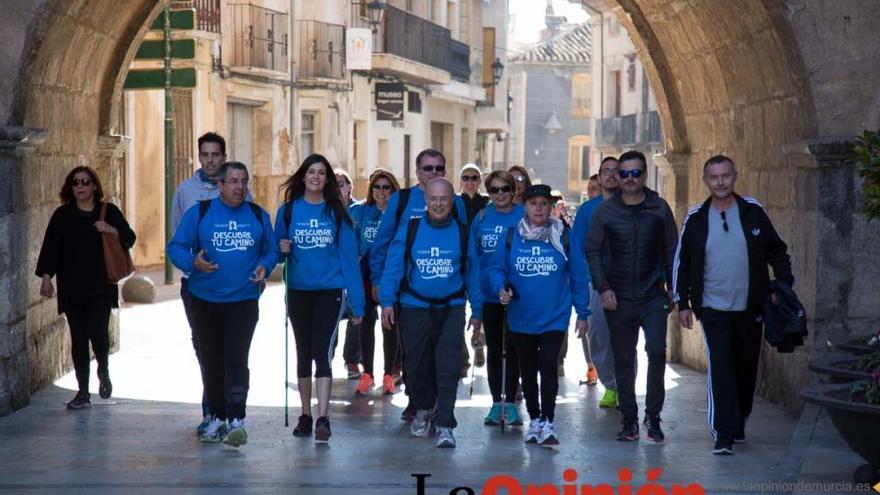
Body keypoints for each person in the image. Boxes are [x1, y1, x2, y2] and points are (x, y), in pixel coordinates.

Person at [674, 155, 793, 455]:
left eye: (725, 175)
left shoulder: (753, 212)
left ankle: (739, 421)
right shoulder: (696, 218)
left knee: (746, 368)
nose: (721, 182)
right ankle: (723, 434)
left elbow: (777, 251)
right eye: (714, 177)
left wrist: (782, 285)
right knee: (721, 367)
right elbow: (682, 263)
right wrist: (683, 302)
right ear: (706, 181)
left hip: (751, 307)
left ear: (734, 176)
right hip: (713, 308)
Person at [168, 162, 278, 447]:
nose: (239, 187)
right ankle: (216, 416)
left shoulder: (257, 214)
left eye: (244, 181)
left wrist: (265, 266)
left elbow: (272, 248)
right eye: (233, 181)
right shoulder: (201, 213)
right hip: (204, 300)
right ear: (220, 185)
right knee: (211, 360)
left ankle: (237, 420)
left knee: (237, 359)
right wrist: (192, 261)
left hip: (243, 300)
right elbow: (176, 247)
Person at [379, 178, 482, 449]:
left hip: (451, 308)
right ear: (426, 200)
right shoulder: (411, 228)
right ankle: (424, 408)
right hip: (415, 307)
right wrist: (387, 302)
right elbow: (393, 266)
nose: (438, 204)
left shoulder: (462, 231)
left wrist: (478, 310)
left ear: (452, 201)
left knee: (449, 367)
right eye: (433, 199)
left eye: (444, 199)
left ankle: (446, 424)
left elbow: (472, 272)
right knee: (415, 368)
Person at [585, 150, 678, 443]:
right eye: (623, 174)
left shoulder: (659, 208)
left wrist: (674, 287)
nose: (628, 179)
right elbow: (593, 250)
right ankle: (629, 419)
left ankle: (653, 416)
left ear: (644, 175)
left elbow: (672, 251)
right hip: (619, 296)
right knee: (623, 359)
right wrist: (603, 287)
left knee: (657, 352)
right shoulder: (606, 211)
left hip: (652, 295)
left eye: (634, 173)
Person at [369, 149, 467, 421]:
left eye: (439, 168)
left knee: (443, 354)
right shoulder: (400, 201)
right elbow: (383, 244)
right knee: (414, 351)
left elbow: (461, 245)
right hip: (405, 290)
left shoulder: (454, 202)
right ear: (417, 172)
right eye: (428, 168)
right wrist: (379, 282)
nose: (433, 173)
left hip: (446, 293)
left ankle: (435, 404)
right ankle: (416, 399)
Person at [488, 184, 590, 445]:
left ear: (551, 207)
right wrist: (502, 287)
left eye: (544, 204)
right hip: (522, 317)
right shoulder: (512, 236)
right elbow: (497, 268)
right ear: (525, 208)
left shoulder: (564, 236)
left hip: (554, 315)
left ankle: (548, 420)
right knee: (528, 370)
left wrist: (582, 312)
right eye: (534, 204)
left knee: (548, 367)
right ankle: (534, 419)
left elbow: (578, 275)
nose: (539, 209)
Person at [276, 154, 365, 443]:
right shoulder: (288, 212)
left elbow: (350, 261)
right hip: (299, 291)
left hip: (330, 291)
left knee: (321, 351)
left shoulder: (337, 214)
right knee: (303, 351)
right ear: (303, 176)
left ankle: (323, 417)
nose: (316, 177)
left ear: (327, 180)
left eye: (322, 173)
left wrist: (358, 302)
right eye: (311, 172)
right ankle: (305, 414)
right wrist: (283, 247)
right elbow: (277, 251)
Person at [171, 132, 253, 436]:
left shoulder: (241, 189)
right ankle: (212, 409)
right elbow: (178, 237)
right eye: (204, 155)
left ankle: (222, 413)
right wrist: (193, 263)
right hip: (198, 288)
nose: (210, 160)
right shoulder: (185, 191)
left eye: (216, 155)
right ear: (198, 156)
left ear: (224, 156)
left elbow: (253, 231)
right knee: (206, 349)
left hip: (236, 292)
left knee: (232, 352)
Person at [36, 166, 136, 410]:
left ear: (94, 186)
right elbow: (51, 247)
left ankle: (103, 368)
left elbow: (129, 237)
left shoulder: (107, 211)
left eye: (85, 182)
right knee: (79, 339)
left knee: (98, 333)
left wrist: (110, 229)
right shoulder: (62, 215)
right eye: (76, 183)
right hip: (72, 287)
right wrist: (47, 277)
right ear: (71, 188)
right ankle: (83, 391)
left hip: (101, 287)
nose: (80, 186)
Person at [470, 170, 524, 426]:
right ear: (488, 193)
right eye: (494, 190)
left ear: (513, 191)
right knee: (494, 349)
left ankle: (511, 403)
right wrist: (475, 302)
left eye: (505, 189)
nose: (500, 194)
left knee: (513, 349)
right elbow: (473, 260)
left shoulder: (524, 215)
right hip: (489, 296)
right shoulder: (481, 218)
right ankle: (495, 403)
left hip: (519, 296)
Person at [572, 157, 621, 408]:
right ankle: (610, 384)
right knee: (598, 337)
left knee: (625, 338)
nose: (612, 175)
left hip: (627, 284)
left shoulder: (634, 205)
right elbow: (577, 247)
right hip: (596, 283)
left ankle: (623, 386)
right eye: (606, 172)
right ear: (599, 177)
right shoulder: (587, 211)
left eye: (616, 171)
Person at [350, 169, 401, 395]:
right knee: (365, 321)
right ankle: (367, 373)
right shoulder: (361, 212)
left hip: (390, 273)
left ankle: (389, 374)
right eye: (377, 187)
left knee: (389, 323)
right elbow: (351, 238)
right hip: (364, 273)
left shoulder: (399, 213)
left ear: (393, 190)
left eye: (386, 187)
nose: (381, 192)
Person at [458, 164, 489, 371]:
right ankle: (462, 357)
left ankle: (479, 340)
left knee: (483, 307)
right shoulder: (453, 202)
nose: (470, 181)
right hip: (459, 260)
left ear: (479, 181)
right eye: (466, 177)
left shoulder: (487, 203)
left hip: (480, 260)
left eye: (474, 177)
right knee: (457, 311)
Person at [336, 169, 365, 379]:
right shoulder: (324, 209)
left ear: (349, 187)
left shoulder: (360, 211)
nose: (337, 188)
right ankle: (325, 357)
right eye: (333, 184)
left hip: (356, 270)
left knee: (357, 315)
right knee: (331, 319)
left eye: (341, 184)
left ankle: (352, 360)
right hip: (332, 272)